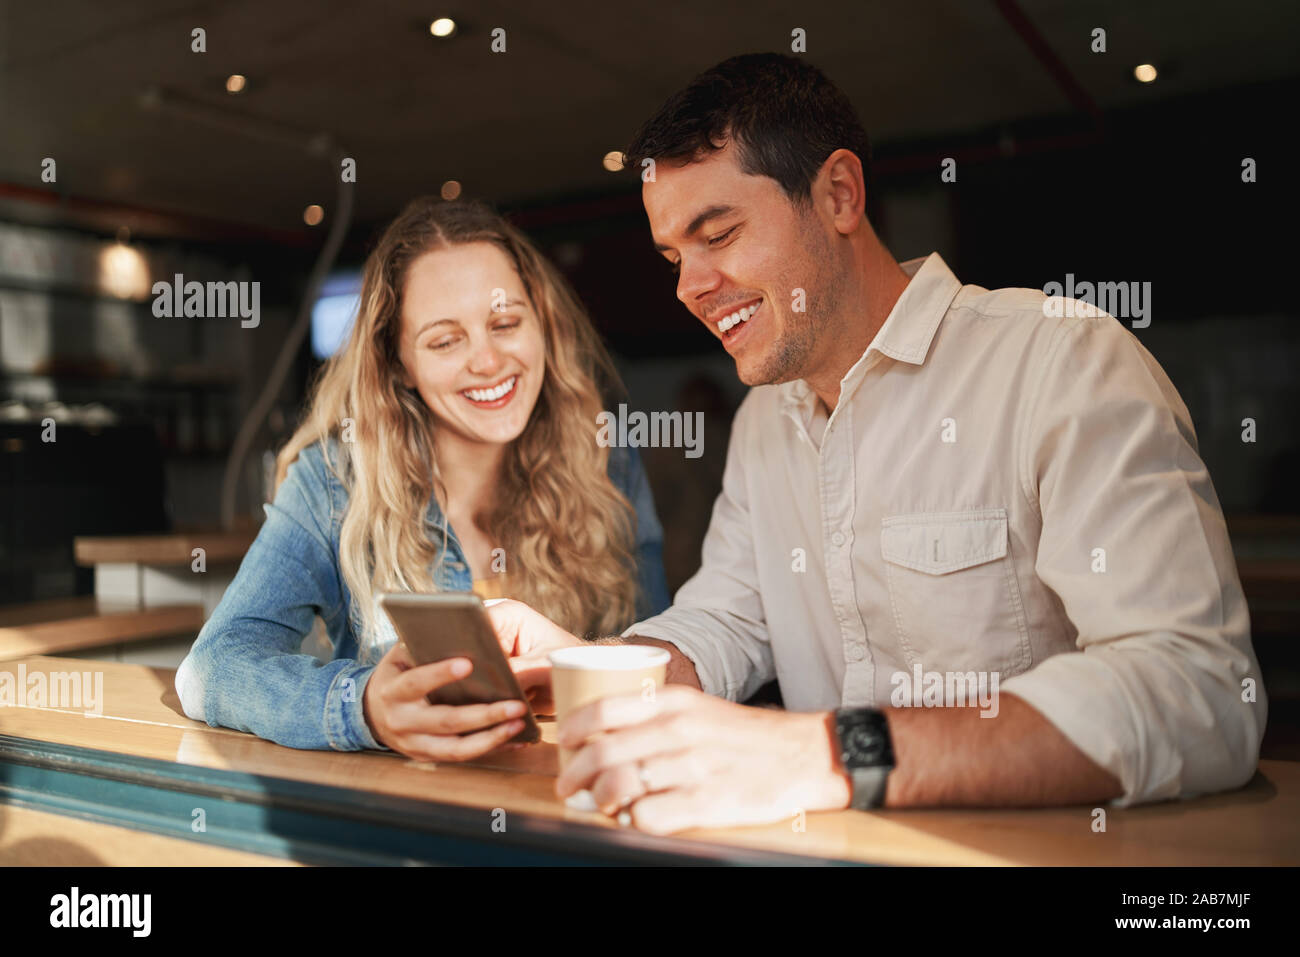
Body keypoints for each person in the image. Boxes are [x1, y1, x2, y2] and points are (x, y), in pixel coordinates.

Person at [490, 53, 1267, 834]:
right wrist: (587, 667)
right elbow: (730, 619)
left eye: (717, 233)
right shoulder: (767, 420)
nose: (688, 286)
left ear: (838, 195)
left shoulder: (1062, 361)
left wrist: (826, 754)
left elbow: (1198, 692)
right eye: (674, 257)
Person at [176, 197, 670, 760]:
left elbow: (663, 659)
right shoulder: (335, 483)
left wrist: (583, 665)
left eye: (505, 323)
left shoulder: (608, 460)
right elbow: (212, 667)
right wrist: (363, 708)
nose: (487, 360)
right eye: (444, 340)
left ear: (543, 326)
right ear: (399, 365)